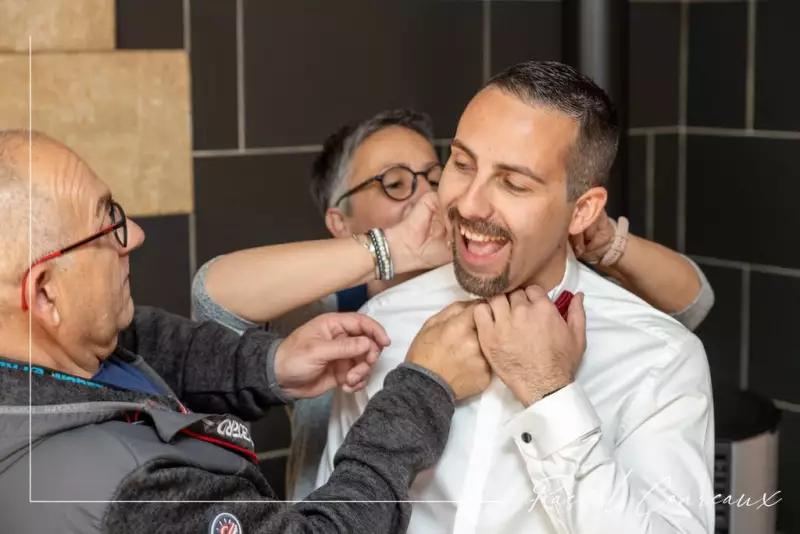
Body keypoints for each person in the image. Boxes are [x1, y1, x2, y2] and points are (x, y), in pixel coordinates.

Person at [193, 108, 715, 500]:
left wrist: (602, 244)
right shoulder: (329, 311)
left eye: (438, 175)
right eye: (395, 184)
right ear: (340, 222)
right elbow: (214, 298)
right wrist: (393, 250)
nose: (426, 195)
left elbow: (687, 310)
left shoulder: (508, 293)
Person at [0, 129, 496, 533]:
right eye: (105, 223)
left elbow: (143, 340)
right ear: (45, 295)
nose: (134, 234)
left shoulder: (49, 351)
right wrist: (422, 389)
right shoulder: (123, 494)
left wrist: (270, 365)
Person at [316, 61, 715, 533]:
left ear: (582, 211)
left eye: (513, 183)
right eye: (462, 164)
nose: (468, 204)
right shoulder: (383, 322)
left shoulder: (658, 361)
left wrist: (552, 395)